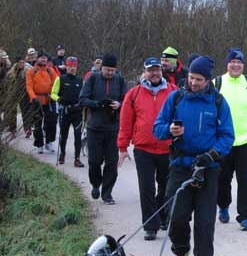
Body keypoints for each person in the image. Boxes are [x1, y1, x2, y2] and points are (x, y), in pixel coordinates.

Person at [153, 56, 234, 256]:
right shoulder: (175, 98)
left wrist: (213, 154)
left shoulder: (218, 102)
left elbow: (228, 135)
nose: (194, 82)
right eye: (191, 78)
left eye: (199, 79)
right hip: (180, 166)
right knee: (176, 216)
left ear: (208, 80)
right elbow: (157, 128)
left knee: (205, 222)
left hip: (208, 168)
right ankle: (181, 250)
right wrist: (169, 130)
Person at [117, 57, 177, 240]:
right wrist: (122, 147)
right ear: (144, 72)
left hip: (168, 148)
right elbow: (126, 122)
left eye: (157, 69)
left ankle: (164, 217)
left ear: (162, 71)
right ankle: (150, 225)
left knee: (167, 188)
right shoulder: (134, 94)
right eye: (150, 70)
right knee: (147, 188)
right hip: (144, 149)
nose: (154, 73)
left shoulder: (174, 92)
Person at [214, 48, 247, 231]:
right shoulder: (217, 83)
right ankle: (223, 206)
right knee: (222, 179)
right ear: (227, 64)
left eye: (239, 62)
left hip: (245, 140)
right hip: (223, 141)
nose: (236, 65)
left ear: (243, 65)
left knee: (246, 180)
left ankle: (245, 217)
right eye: (232, 62)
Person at [79, 53, 127, 204]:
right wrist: (97, 104)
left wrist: (119, 105)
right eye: (107, 70)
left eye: (112, 70)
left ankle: (107, 193)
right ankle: (95, 184)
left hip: (113, 127)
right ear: (101, 67)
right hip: (94, 127)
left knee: (112, 163)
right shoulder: (92, 78)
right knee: (94, 161)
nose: (110, 73)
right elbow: (82, 99)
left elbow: (126, 99)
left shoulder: (120, 80)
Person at [51, 56, 84, 167]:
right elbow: (53, 94)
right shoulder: (60, 79)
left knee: (78, 135)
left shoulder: (80, 80)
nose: (72, 68)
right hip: (65, 111)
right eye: (70, 66)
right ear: (66, 66)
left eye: (74, 66)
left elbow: (84, 95)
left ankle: (77, 158)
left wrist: (83, 103)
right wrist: (59, 99)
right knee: (63, 135)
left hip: (77, 112)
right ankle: (62, 154)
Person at [25, 51, 58, 154]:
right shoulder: (31, 71)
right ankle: (39, 144)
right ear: (37, 59)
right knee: (37, 124)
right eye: (41, 57)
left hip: (49, 99)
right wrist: (33, 97)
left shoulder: (51, 70)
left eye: (45, 58)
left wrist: (54, 95)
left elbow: (56, 83)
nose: (43, 59)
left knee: (51, 121)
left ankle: (49, 142)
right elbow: (29, 85)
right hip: (36, 100)